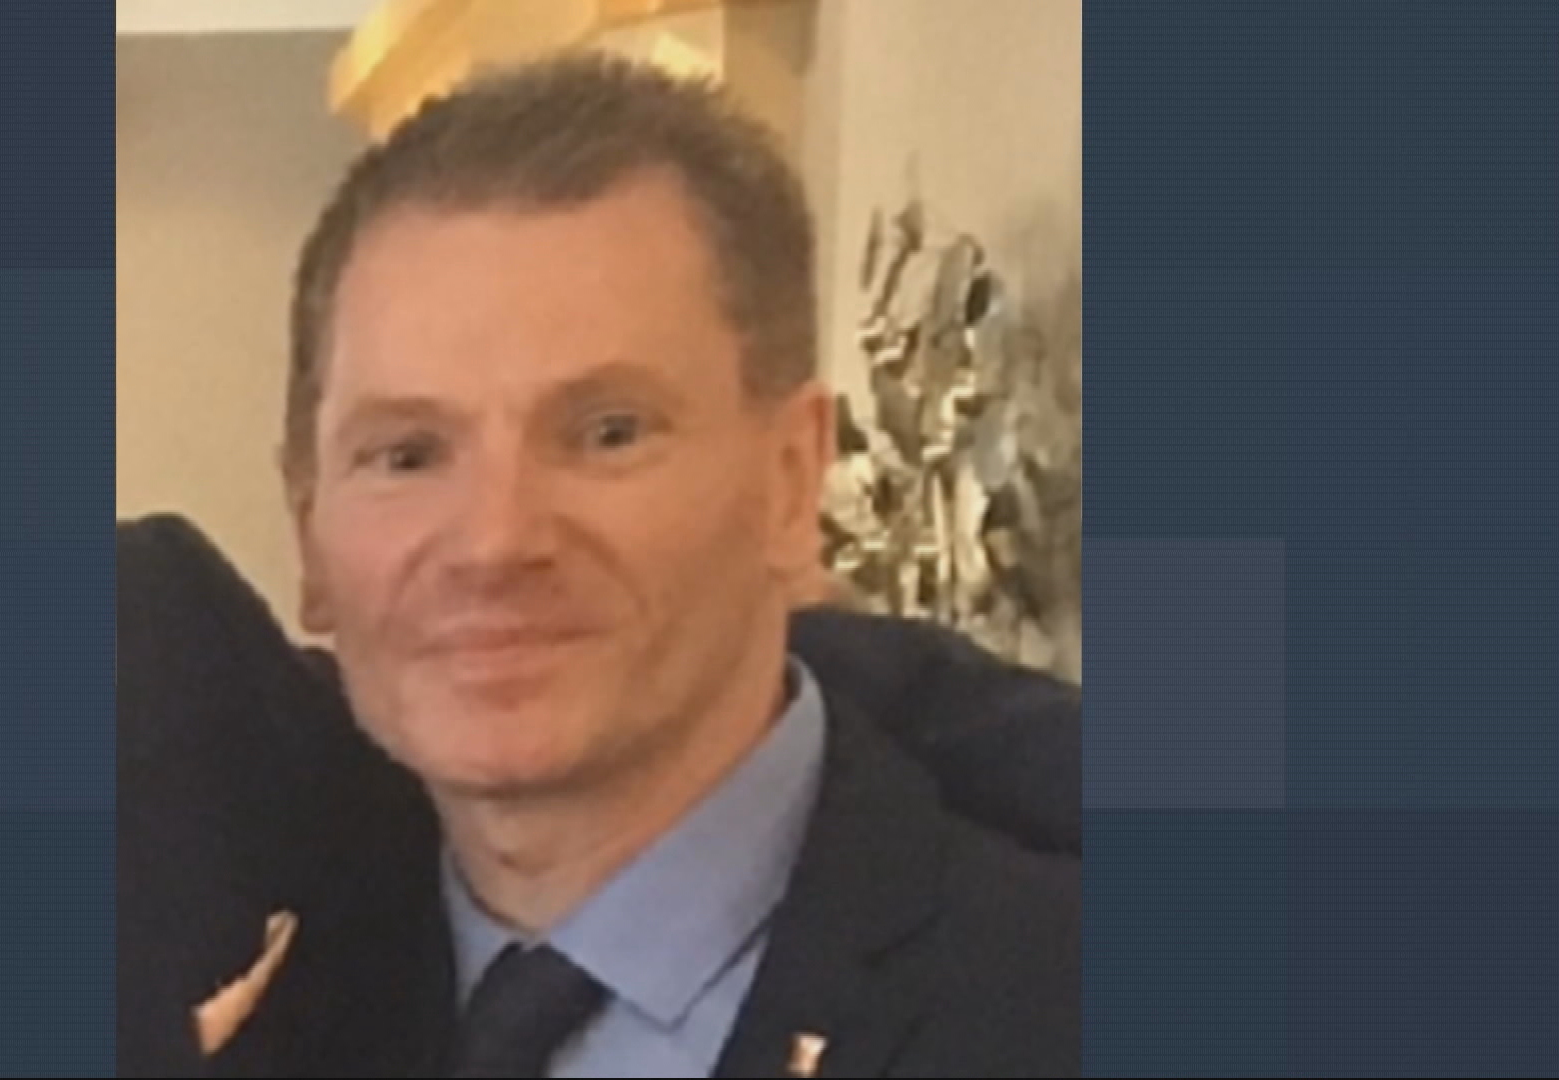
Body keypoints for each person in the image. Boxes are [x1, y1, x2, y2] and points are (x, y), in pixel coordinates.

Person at [119, 51, 1078, 1078]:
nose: (495, 542)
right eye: (407, 454)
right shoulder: (251, 957)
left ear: (792, 479)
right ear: (309, 533)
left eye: (608, 432)